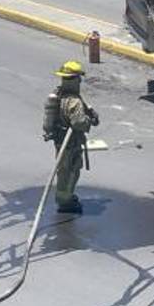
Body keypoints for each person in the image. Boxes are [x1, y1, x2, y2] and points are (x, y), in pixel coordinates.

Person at [43, 60, 99, 214]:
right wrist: (90, 119)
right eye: (78, 78)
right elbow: (79, 122)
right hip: (71, 143)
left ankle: (64, 198)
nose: (80, 81)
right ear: (75, 79)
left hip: (59, 141)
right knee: (71, 171)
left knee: (63, 170)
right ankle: (65, 202)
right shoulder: (74, 101)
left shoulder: (59, 95)